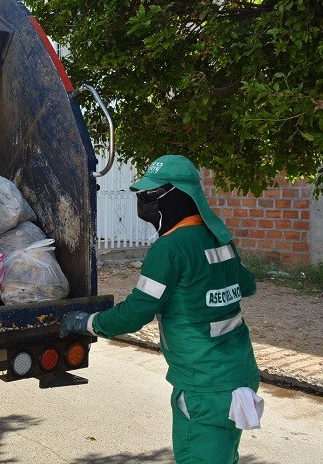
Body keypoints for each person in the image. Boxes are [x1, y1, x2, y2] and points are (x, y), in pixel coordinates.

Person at [61, 154, 263, 464]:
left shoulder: (169, 249)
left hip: (203, 386)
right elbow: (246, 285)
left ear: (180, 196)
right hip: (239, 376)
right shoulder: (219, 238)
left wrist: (87, 323)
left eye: (152, 194)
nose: (144, 200)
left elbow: (136, 313)